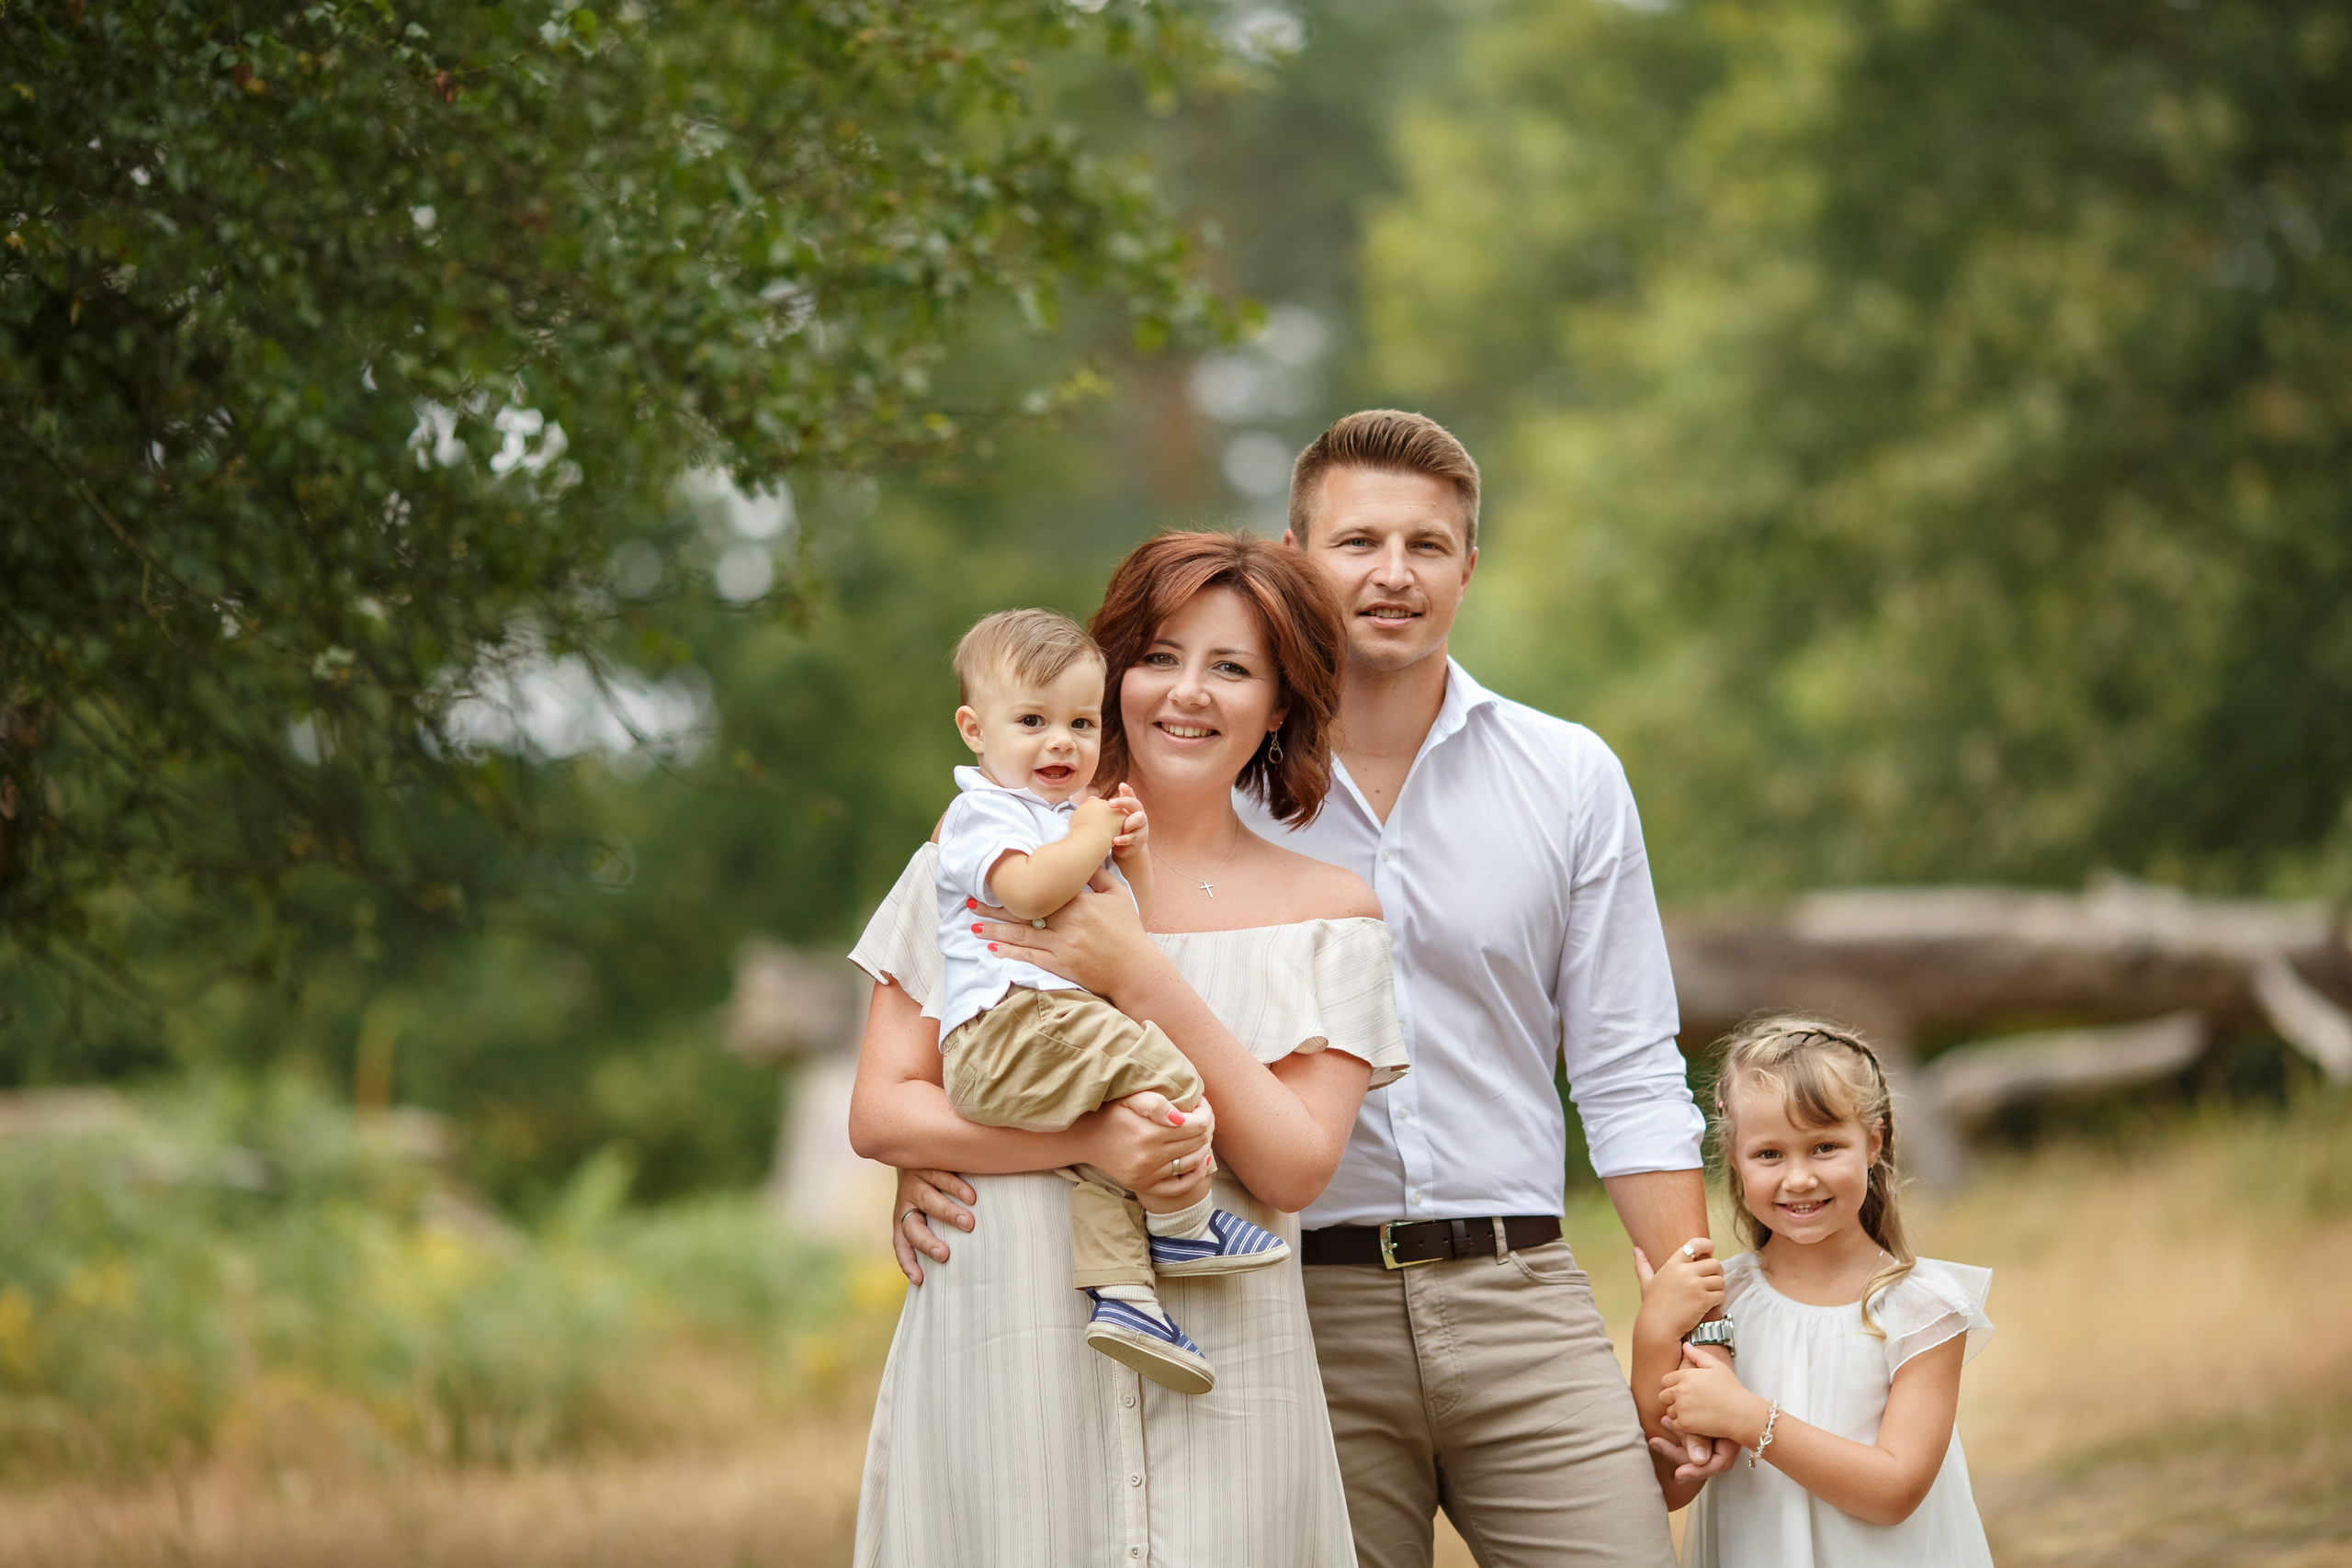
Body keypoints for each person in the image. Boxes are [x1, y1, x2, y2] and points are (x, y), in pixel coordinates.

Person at [848, 531, 1408, 1566]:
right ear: (1109, 678)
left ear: (1279, 705)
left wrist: (1140, 972)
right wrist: (1090, 1144)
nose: (1186, 694)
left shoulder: (1332, 911)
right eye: (1159, 657)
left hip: (1228, 1372)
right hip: (1003, 1348)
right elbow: (883, 1112)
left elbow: (1290, 1165)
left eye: (1231, 667)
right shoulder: (976, 853)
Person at [1250, 408, 1728, 1567]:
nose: (1392, 575)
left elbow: (1623, 1069)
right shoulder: (1211, 783)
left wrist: (1695, 1334)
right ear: (1294, 558)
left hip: (1522, 1297)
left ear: (1469, 567)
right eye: (1357, 542)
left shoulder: (1567, 776)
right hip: (1292, 1316)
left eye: (1426, 546)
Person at [932, 606, 1290, 1394]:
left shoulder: (1061, 818)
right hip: (1010, 1027)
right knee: (1171, 1078)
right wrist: (1091, 833)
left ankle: (1124, 1295)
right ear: (974, 729)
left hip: (1049, 1031)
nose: (1061, 742)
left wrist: (1127, 851)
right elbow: (1027, 889)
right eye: (1032, 720)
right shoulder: (981, 813)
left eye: (1080, 722)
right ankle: (1184, 1228)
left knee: (1113, 1151)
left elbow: (1131, 927)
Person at [1634, 1018, 1996, 1568]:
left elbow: (1896, 1490)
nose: (1799, 1178)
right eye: (1770, 1154)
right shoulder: (1714, 1301)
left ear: (1873, 1142)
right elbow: (1669, 1491)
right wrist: (1655, 1334)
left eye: (1824, 1146)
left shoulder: (1921, 1307)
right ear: (1734, 1157)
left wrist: (1748, 1418)